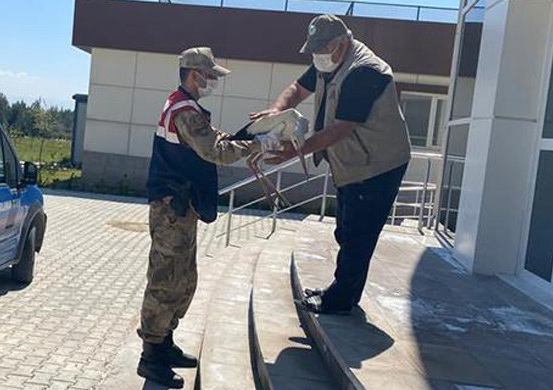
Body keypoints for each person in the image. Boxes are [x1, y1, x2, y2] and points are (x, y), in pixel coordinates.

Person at [254, 14, 411, 315]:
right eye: (314, 50)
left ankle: (340, 300)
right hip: (351, 160)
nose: (317, 57)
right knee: (346, 228)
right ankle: (343, 290)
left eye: (322, 49)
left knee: (358, 233)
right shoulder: (329, 59)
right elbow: (297, 90)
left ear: (342, 43)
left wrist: (295, 150)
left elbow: (341, 128)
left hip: (378, 164)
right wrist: (275, 113)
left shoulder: (364, 71)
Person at [138, 47, 259, 388]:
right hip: (172, 209)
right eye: (210, 76)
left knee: (183, 278)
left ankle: (165, 343)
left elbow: (215, 138)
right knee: (165, 280)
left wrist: (245, 137)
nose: (213, 82)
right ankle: (151, 357)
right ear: (194, 74)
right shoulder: (184, 110)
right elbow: (214, 150)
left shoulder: (186, 106)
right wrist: (256, 145)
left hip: (181, 207)